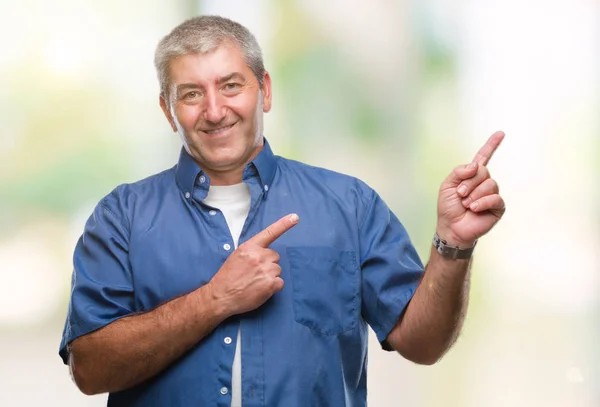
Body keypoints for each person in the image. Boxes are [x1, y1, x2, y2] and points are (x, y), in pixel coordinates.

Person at [59, 15, 505, 407]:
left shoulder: (349, 205)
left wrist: (454, 244)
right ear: (168, 110)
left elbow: (422, 344)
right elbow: (90, 370)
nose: (215, 111)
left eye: (231, 85)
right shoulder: (121, 216)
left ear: (264, 90)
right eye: (192, 93)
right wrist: (216, 299)